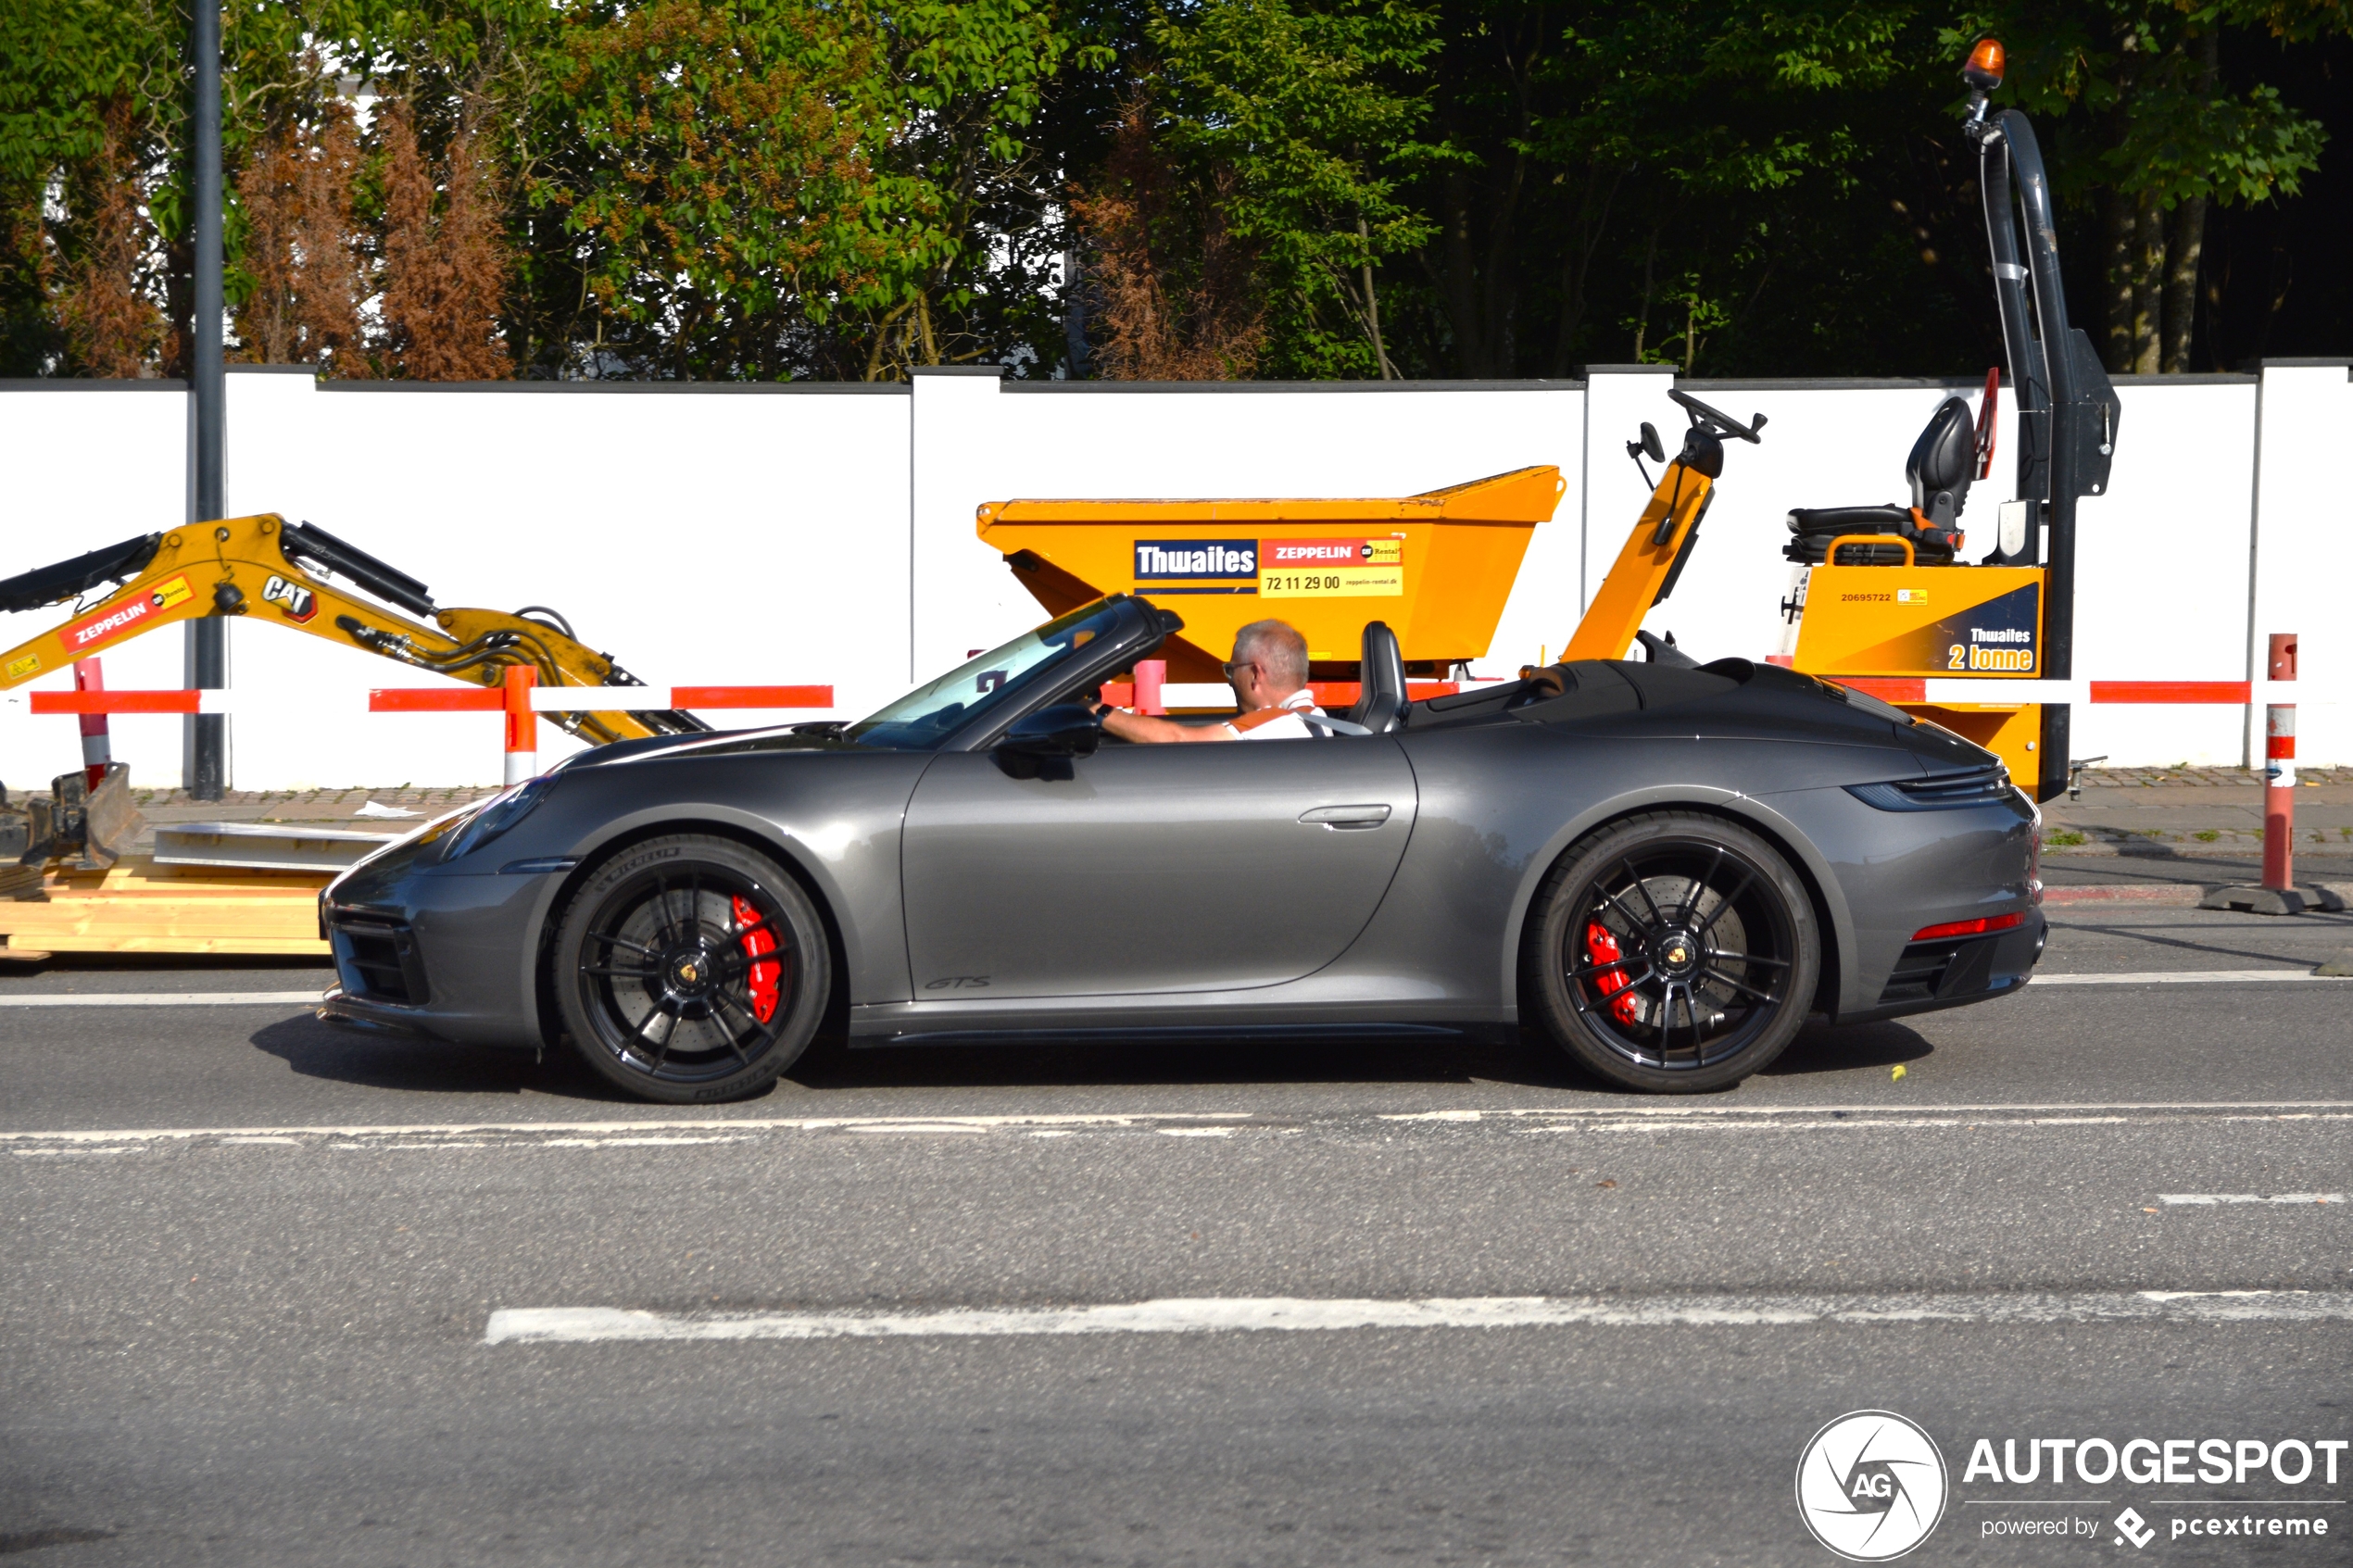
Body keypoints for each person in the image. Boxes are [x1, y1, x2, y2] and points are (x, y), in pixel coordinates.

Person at [1095, 619, 1327, 743]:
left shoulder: (1273, 723)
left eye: (1232, 669)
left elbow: (1179, 740)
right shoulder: (1316, 718)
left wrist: (1095, 711)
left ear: (1256, 674)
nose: (1230, 681)